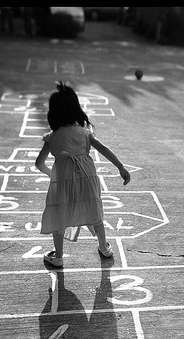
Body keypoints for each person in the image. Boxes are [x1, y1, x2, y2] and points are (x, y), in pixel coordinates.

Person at [34, 82, 131, 267]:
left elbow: (39, 163)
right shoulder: (84, 133)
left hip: (63, 183)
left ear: (53, 114)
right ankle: (104, 247)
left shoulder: (52, 137)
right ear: (76, 109)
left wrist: (51, 175)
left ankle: (59, 257)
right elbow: (103, 148)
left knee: (59, 215)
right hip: (87, 179)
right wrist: (121, 167)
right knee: (95, 212)